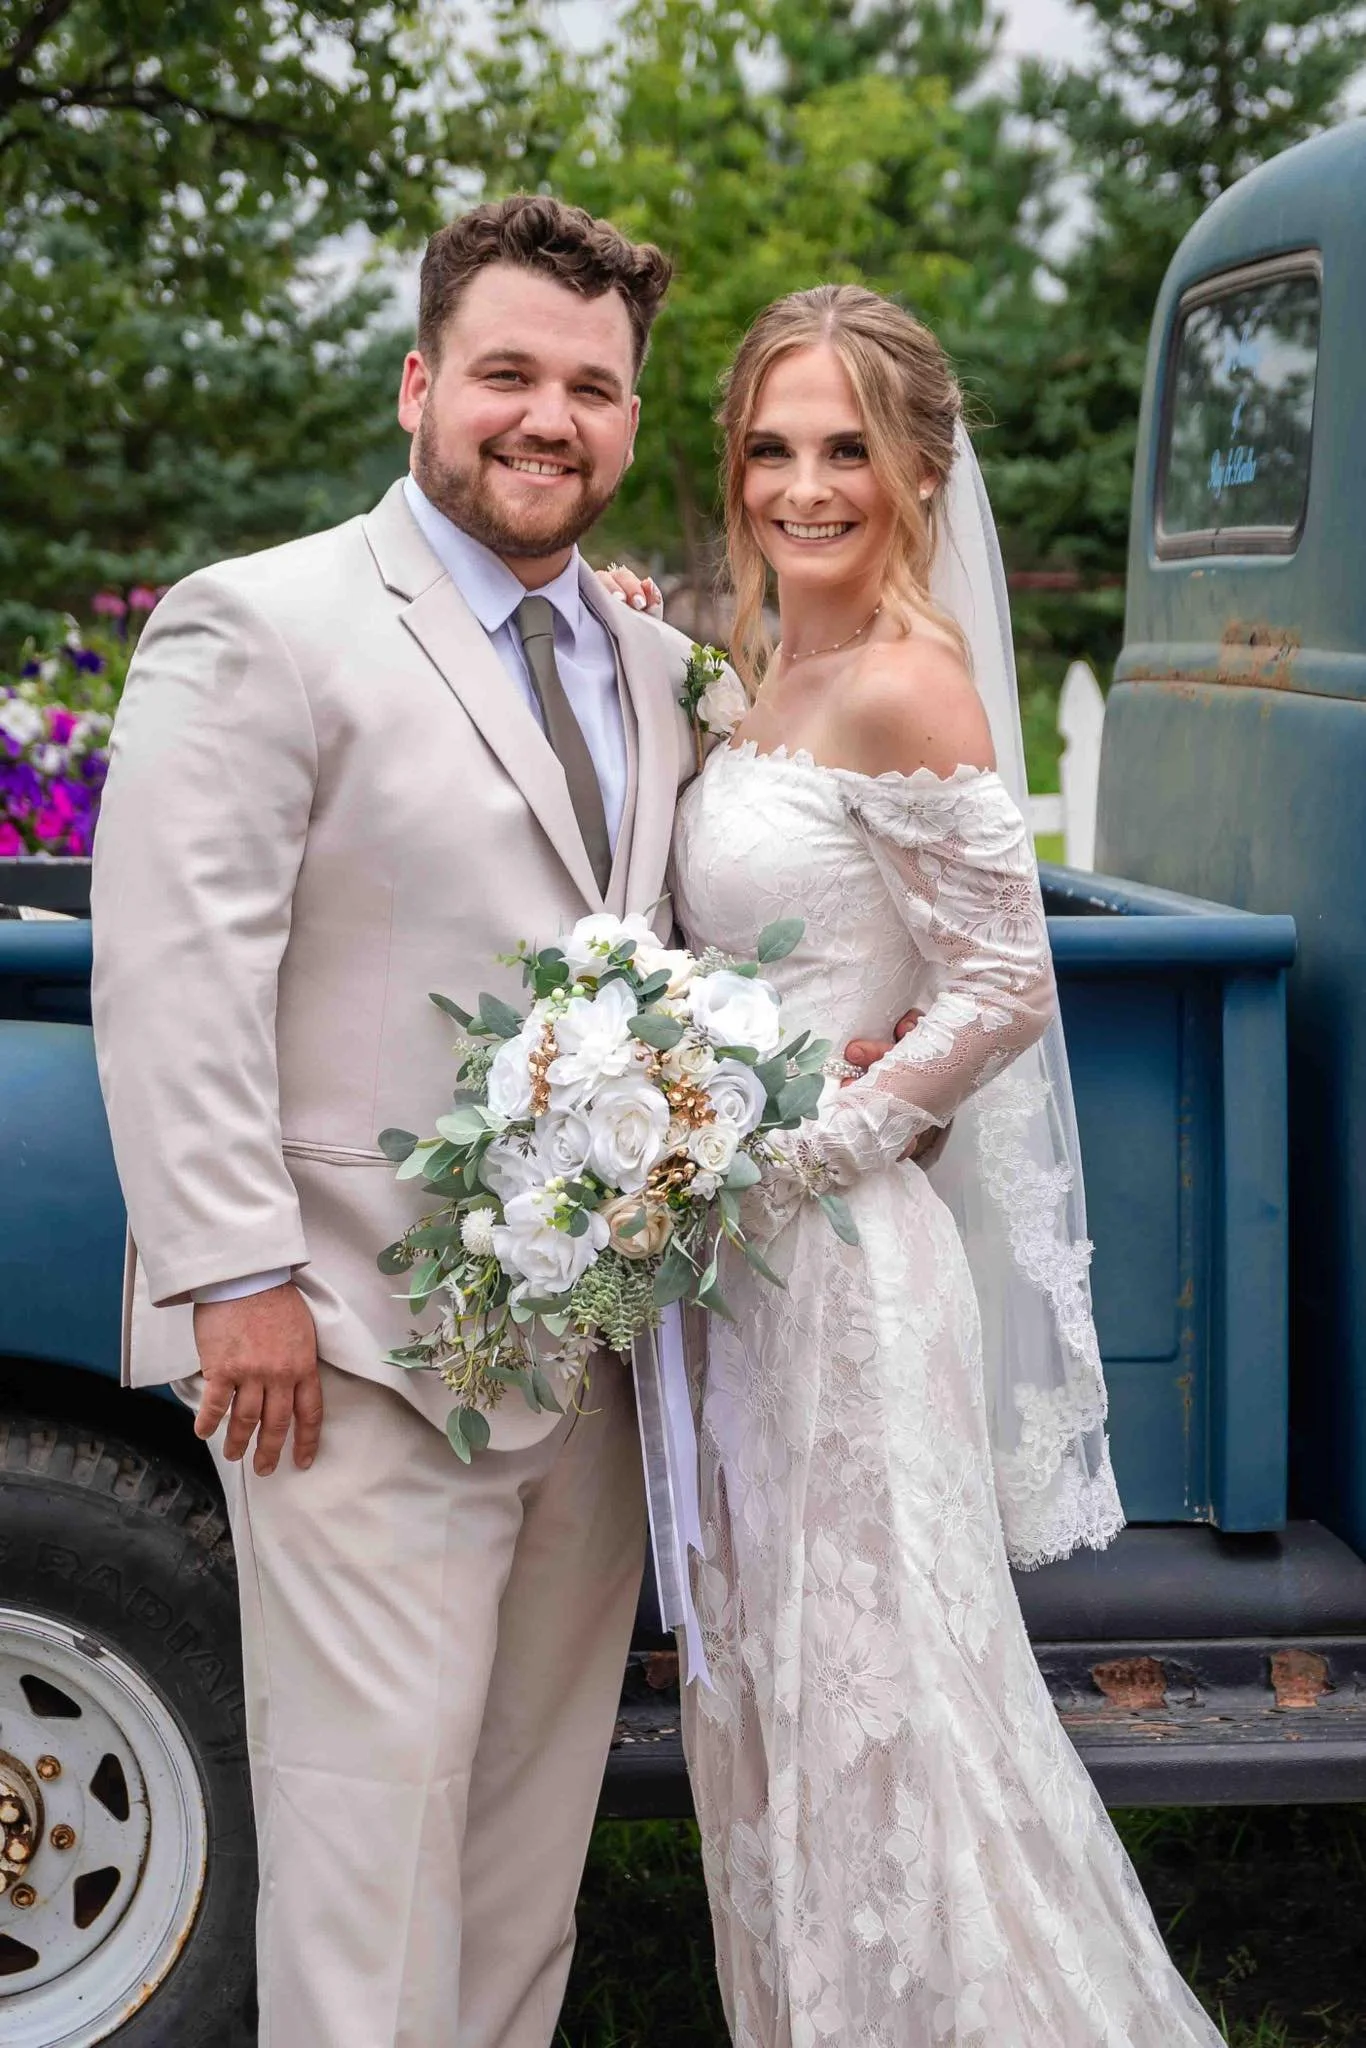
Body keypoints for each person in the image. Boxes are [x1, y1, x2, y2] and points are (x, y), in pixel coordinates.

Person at [90, 194, 744, 2048]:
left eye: (592, 390)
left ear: (626, 421)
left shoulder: (649, 663)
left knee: (521, 1865)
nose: (548, 421)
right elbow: (175, 973)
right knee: (368, 1860)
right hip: (350, 1353)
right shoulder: (262, 621)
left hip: (592, 1368)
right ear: (418, 386)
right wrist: (237, 1279)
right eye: (508, 376)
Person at [603, 285, 1224, 2045]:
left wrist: (799, 1155)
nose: (804, 486)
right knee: (785, 1714)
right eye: (771, 446)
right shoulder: (765, 672)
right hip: (738, 1290)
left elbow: (1003, 985)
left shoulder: (903, 681)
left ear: (913, 470)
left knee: (898, 1715)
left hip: (841, 1275)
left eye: (844, 450)